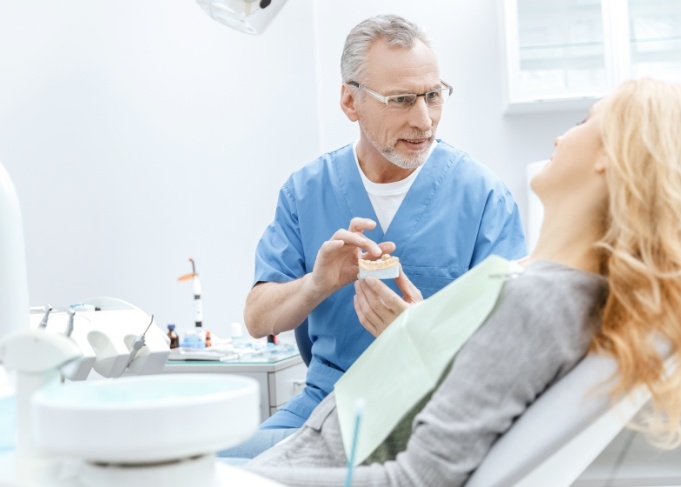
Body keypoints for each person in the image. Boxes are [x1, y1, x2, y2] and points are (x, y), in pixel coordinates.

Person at [237, 78, 681, 486]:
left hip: (326, 459)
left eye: (585, 121)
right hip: (325, 439)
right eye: (401, 99)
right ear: (351, 101)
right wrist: (419, 333)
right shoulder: (553, 287)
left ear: (612, 155)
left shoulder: (538, 299)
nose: (560, 136)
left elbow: (417, 478)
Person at [226, 14, 526, 455]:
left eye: (433, 96)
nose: (424, 120)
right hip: (322, 404)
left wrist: (422, 332)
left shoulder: (482, 198)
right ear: (350, 102)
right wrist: (317, 284)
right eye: (402, 100)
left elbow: (514, 347)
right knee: (206, 463)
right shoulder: (306, 191)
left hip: (430, 410)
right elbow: (257, 319)